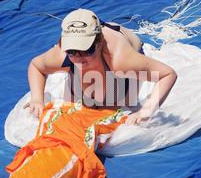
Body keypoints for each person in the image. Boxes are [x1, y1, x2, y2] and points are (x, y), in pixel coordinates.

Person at [24, 8, 177, 126]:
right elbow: (36, 67)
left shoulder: (121, 60)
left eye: (86, 50)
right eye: (71, 51)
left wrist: (145, 112)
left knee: (111, 114)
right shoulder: (61, 55)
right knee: (75, 112)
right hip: (99, 59)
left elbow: (167, 74)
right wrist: (37, 99)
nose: (77, 57)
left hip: (120, 54)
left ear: (99, 43)